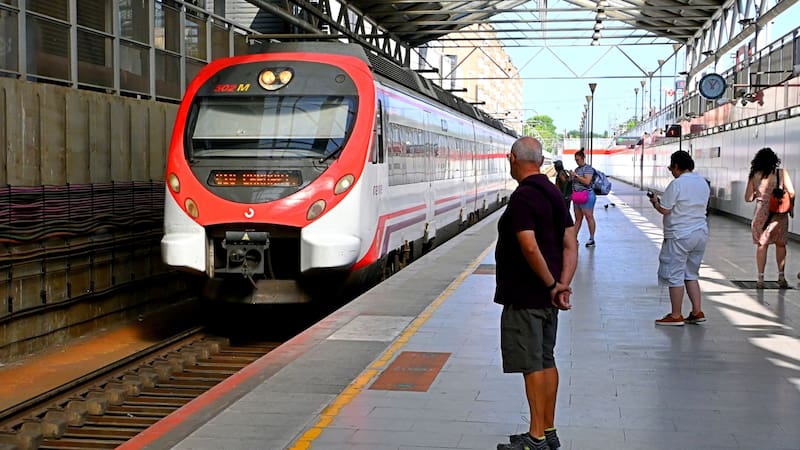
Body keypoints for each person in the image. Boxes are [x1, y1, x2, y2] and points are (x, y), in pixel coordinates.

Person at [495, 137, 578, 450]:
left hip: (527, 296)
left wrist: (549, 283)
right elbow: (571, 242)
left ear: (513, 158)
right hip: (547, 298)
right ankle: (548, 429)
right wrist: (562, 284)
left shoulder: (523, 197)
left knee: (531, 364)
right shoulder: (554, 193)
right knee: (546, 359)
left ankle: (536, 438)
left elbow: (528, 245)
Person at [649, 150, 710, 326]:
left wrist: (655, 202)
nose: (671, 171)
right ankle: (697, 312)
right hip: (700, 233)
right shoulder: (703, 183)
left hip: (680, 235)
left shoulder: (677, 184)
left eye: (671, 167)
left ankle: (676, 315)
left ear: (676, 166)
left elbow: (665, 209)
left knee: (675, 274)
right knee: (691, 273)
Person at [744, 147, 794, 288]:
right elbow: (792, 192)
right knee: (780, 244)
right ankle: (781, 277)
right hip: (779, 212)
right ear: (774, 160)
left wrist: (757, 195)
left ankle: (760, 279)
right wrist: (791, 207)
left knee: (762, 244)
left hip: (761, 214)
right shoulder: (781, 173)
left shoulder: (754, 175)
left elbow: (747, 198)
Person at [568, 149, 597, 247]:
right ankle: (574, 238)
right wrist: (571, 177)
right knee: (578, 218)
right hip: (577, 196)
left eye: (578, 159)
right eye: (575, 160)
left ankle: (591, 238)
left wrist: (575, 176)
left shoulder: (588, 169)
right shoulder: (577, 169)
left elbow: (587, 182)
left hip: (587, 195)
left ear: (583, 158)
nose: (577, 161)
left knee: (589, 216)